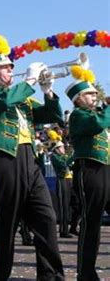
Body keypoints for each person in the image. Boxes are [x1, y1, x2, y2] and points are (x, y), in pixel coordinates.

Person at [0, 32, 64, 280]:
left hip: (30, 161)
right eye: (4, 68)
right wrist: (29, 81)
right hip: (5, 160)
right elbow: (5, 100)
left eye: (10, 67)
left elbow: (52, 116)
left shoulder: (22, 99)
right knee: (6, 226)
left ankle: (51, 277)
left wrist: (47, 91)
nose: (9, 71)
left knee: (47, 218)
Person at [66, 70, 110, 280]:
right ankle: (86, 273)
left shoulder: (96, 114)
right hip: (90, 170)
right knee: (91, 222)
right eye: (90, 94)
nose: (95, 96)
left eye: (95, 93)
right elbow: (97, 124)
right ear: (79, 98)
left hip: (106, 169)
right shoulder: (78, 115)